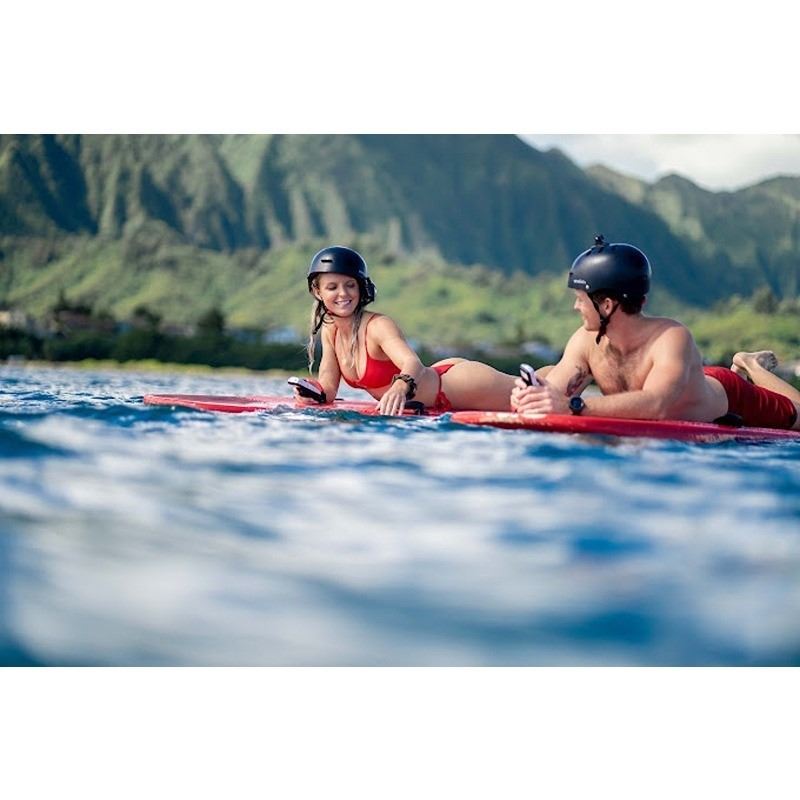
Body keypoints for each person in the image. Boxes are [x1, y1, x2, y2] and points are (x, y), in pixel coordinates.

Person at [511, 235, 800, 430]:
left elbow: (657, 404)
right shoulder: (585, 340)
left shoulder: (671, 337)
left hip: (728, 395)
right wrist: (533, 397)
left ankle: (750, 365)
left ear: (607, 305)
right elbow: (557, 391)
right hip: (686, 376)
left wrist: (573, 406)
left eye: (580, 299)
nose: (575, 307)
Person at [295, 245, 517, 415]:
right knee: (531, 389)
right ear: (318, 291)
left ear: (360, 287)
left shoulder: (378, 326)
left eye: (350, 285)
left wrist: (400, 387)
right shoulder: (330, 330)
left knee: (533, 392)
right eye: (332, 287)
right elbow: (329, 387)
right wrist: (312, 393)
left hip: (460, 386)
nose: (343, 293)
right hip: (438, 392)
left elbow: (412, 362)